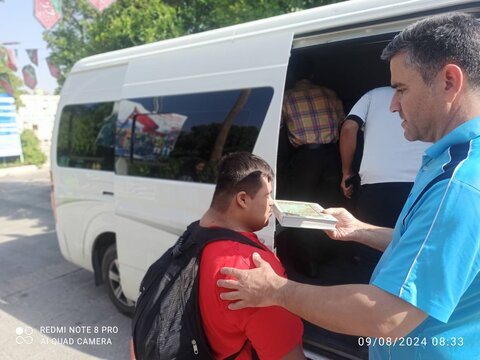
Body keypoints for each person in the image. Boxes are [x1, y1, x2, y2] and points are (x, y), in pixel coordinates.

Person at [218, 13, 480, 359]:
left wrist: (275, 290)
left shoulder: (459, 184)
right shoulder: (455, 161)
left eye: (401, 88)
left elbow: (384, 316)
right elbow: (431, 249)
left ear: (449, 81)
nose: (393, 104)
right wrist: (360, 230)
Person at [199, 152, 305, 359]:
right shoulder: (253, 272)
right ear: (243, 199)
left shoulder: (195, 237)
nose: (272, 204)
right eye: (268, 196)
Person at [340, 86, 430, 228]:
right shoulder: (431, 94)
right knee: (412, 243)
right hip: (423, 182)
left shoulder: (373, 95)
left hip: (376, 182)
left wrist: (347, 171)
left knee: (370, 240)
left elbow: (349, 128)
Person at [281, 58, 345, 206]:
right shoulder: (329, 93)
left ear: (291, 74)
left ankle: (303, 231)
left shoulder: (286, 98)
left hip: (305, 158)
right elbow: (343, 122)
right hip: (332, 156)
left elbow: (279, 128)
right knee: (330, 203)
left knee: (303, 204)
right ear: (312, 74)